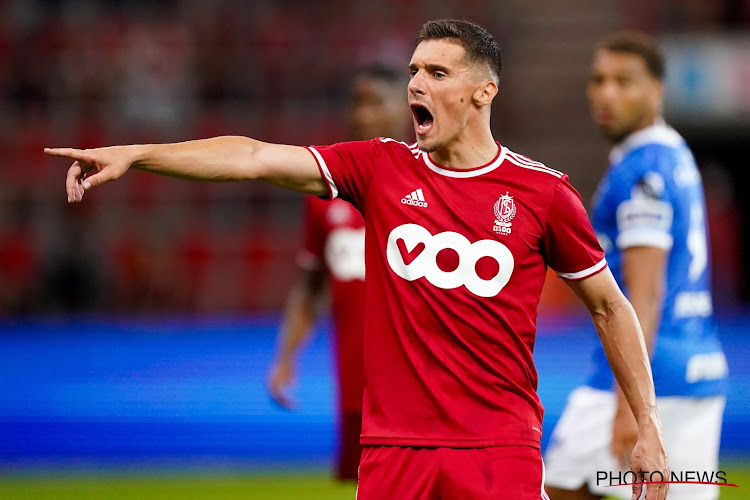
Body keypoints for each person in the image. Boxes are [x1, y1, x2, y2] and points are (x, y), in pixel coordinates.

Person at [47, 19, 669, 500]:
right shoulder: (379, 168)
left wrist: (647, 425)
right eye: (413, 71)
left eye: (437, 73)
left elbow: (610, 306)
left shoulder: (544, 193)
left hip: (497, 446)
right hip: (393, 450)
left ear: (485, 90)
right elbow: (255, 157)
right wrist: (138, 152)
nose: (416, 85)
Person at [544, 31, 727, 500]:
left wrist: (633, 407)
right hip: (696, 369)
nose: (606, 93)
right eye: (599, 80)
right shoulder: (672, 154)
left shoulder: (642, 170)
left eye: (624, 81)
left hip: (644, 375)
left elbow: (645, 291)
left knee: (554, 489)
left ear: (657, 90)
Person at [266, 65, 408, 481]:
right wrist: (286, 356)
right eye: (357, 103)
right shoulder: (324, 197)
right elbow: (310, 287)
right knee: (365, 485)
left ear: (405, 108)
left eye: (376, 102)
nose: (363, 115)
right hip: (354, 381)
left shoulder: (432, 183)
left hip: (417, 380)